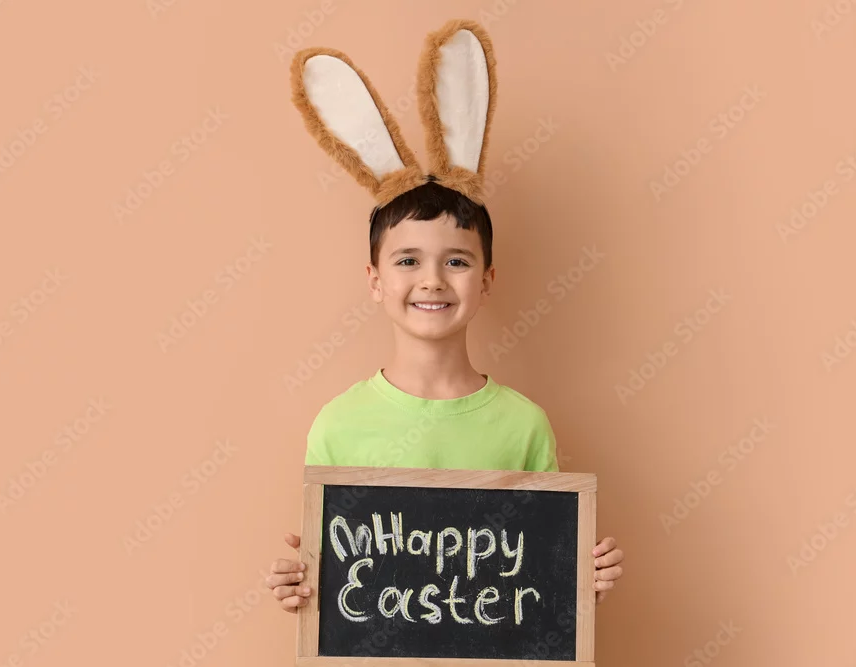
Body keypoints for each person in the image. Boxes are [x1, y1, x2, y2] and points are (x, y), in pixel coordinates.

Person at [267, 18, 624, 616]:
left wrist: (576, 577)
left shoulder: (524, 427)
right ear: (375, 280)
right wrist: (302, 586)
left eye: (456, 260)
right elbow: (339, 585)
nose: (432, 279)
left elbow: (537, 583)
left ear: (486, 281)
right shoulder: (338, 426)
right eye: (408, 260)